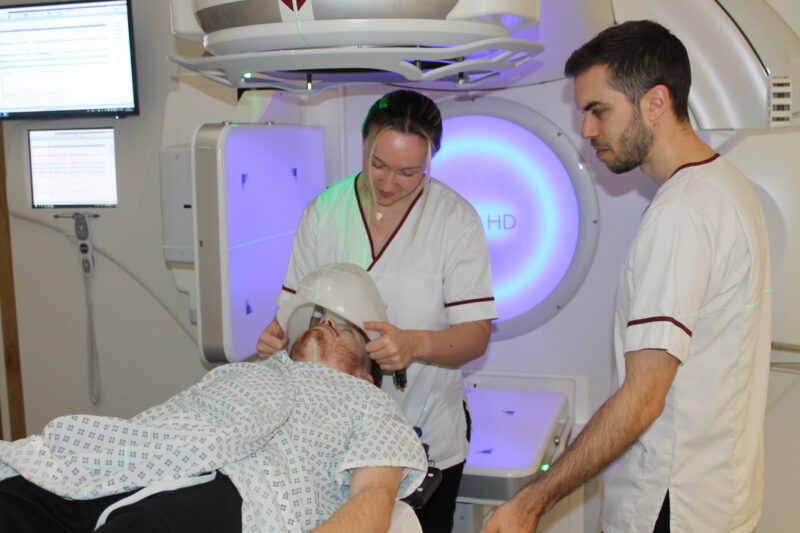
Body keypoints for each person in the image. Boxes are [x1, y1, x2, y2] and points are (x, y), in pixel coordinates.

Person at [483, 20, 771, 533]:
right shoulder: (725, 185)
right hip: (719, 495)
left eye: (598, 111)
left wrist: (531, 502)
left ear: (655, 103)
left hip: (669, 503)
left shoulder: (681, 214)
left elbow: (643, 398)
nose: (588, 131)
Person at [0, 263, 428, 533]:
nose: (323, 324)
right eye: (315, 318)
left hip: (240, 492)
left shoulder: (372, 406)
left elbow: (371, 504)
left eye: (342, 327)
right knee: (16, 499)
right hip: (141, 460)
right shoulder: (245, 374)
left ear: (368, 373)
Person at [257, 89, 497, 531]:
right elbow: (290, 316)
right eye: (378, 165)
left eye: (409, 172)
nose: (388, 184)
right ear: (363, 146)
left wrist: (414, 344)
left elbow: (476, 335)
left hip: (423, 425)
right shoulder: (325, 212)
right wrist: (273, 339)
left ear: (430, 161)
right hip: (329, 433)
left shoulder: (454, 220)